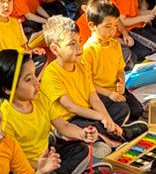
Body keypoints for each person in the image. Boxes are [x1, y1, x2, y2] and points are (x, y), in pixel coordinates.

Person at [0, 49, 96, 174]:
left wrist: (82, 133)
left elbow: (64, 126)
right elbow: (15, 162)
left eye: (35, 75)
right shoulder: (5, 119)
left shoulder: (40, 98)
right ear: (7, 89)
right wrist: (42, 167)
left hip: (47, 154)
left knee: (81, 149)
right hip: (28, 166)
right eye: (28, 80)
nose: (36, 82)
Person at [39, 16, 126, 146]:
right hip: (70, 120)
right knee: (90, 126)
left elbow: (94, 98)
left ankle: (106, 136)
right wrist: (101, 117)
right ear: (55, 49)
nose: (79, 47)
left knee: (120, 107)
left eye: (79, 41)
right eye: (71, 44)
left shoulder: (81, 66)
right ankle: (113, 140)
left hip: (86, 112)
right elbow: (71, 107)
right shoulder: (51, 74)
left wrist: (107, 118)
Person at [82, 0, 144, 127]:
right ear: (92, 26)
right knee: (122, 110)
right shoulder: (88, 50)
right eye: (108, 27)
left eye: (115, 26)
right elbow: (87, 84)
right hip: (99, 94)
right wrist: (109, 94)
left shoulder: (115, 44)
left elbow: (120, 70)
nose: (113, 31)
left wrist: (121, 82)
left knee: (137, 110)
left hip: (115, 90)